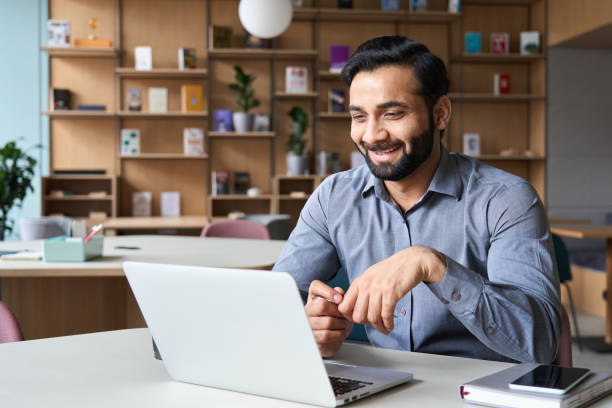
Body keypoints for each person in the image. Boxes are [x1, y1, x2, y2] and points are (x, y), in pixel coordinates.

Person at [272, 36, 562, 363]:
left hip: (481, 390)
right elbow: (272, 306)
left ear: (440, 114)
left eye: (393, 114)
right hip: (383, 384)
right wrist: (306, 328)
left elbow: (540, 344)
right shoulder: (334, 198)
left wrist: (433, 265)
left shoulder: (506, 199)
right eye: (359, 117)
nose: (372, 135)